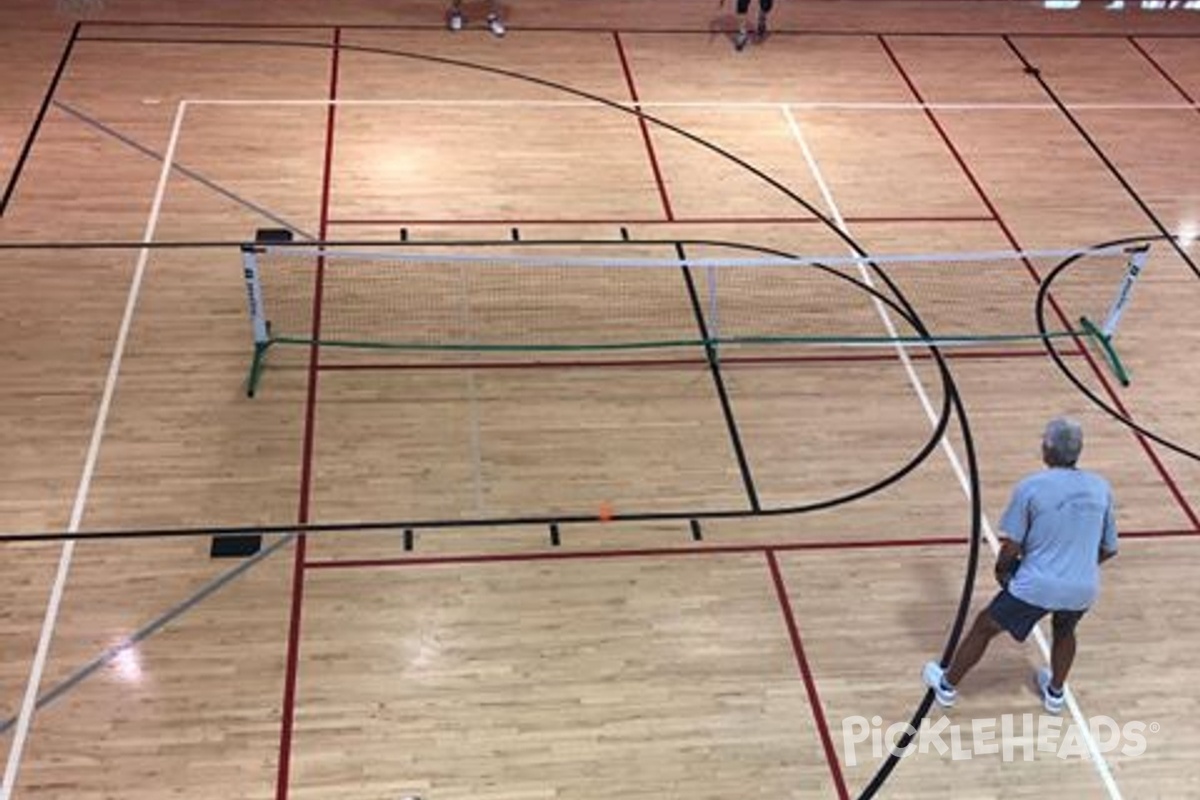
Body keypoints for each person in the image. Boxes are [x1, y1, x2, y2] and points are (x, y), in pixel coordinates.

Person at [923, 417, 1118, 714]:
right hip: (1082, 588)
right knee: (1065, 630)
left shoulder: (1031, 487)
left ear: (1048, 450)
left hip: (1037, 585)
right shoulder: (1100, 487)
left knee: (984, 627)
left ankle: (947, 686)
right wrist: (1078, 567)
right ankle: (1055, 693)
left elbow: (1011, 545)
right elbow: (1109, 548)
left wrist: (1003, 570)